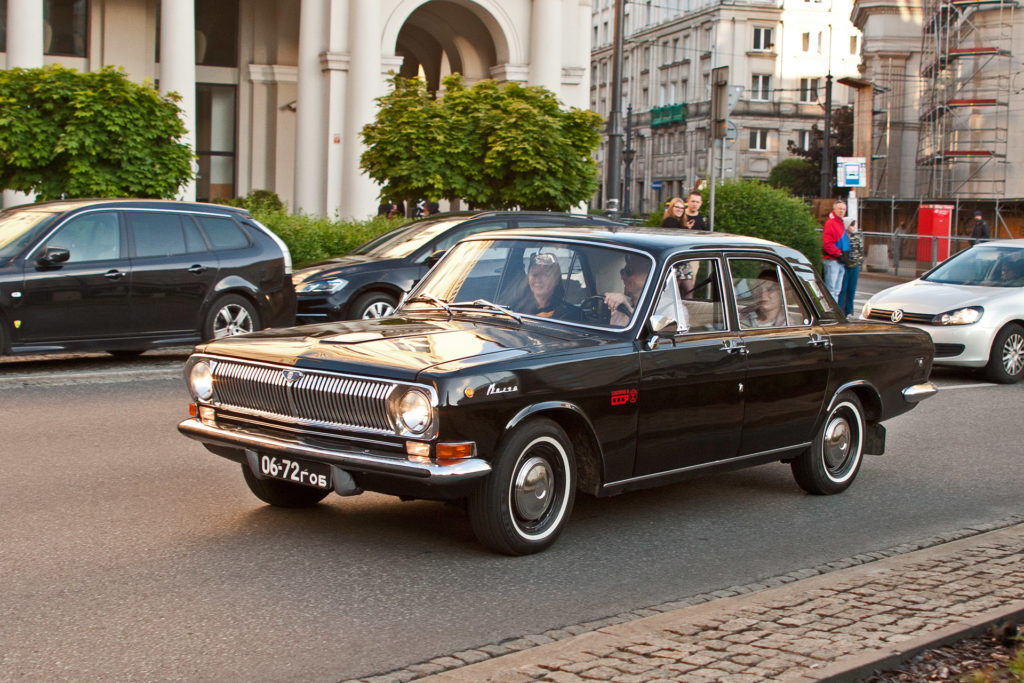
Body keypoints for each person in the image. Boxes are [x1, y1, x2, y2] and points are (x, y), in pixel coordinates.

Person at [518, 253, 580, 320]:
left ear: (556, 280)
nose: (538, 279)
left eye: (545, 274)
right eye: (534, 274)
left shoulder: (573, 315)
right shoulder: (516, 311)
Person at [604, 253, 651, 327]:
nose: (623, 277)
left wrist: (629, 309)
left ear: (648, 275)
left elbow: (646, 332)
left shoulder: (664, 307)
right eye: (622, 272)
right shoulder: (620, 309)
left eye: (629, 271)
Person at [821, 199, 848, 301]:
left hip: (838, 260)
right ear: (834, 209)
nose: (841, 211)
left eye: (843, 209)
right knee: (831, 290)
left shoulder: (839, 222)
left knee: (836, 290)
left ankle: (834, 312)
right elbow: (827, 244)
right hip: (833, 260)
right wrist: (839, 254)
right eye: (840, 209)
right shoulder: (831, 223)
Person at [838, 218, 864, 316]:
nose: (852, 228)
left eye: (853, 225)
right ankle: (840, 310)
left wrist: (859, 262)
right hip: (844, 266)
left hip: (854, 266)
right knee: (842, 290)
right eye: (850, 225)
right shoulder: (842, 237)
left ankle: (849, 311)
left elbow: (861, 250)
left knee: (851, 290)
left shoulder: (857, 237)